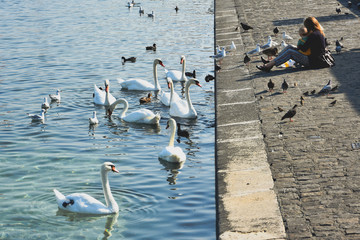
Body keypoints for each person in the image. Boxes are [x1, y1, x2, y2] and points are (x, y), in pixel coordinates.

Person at [257, 17, 326, 72]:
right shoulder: (319, 32)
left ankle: (268, 66)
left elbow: (303, 48)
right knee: (290, 46)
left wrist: (299, 44)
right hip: (314, 58)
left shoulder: (313, 35)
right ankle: (271, 62)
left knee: (290, 52)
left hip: (313, 61)